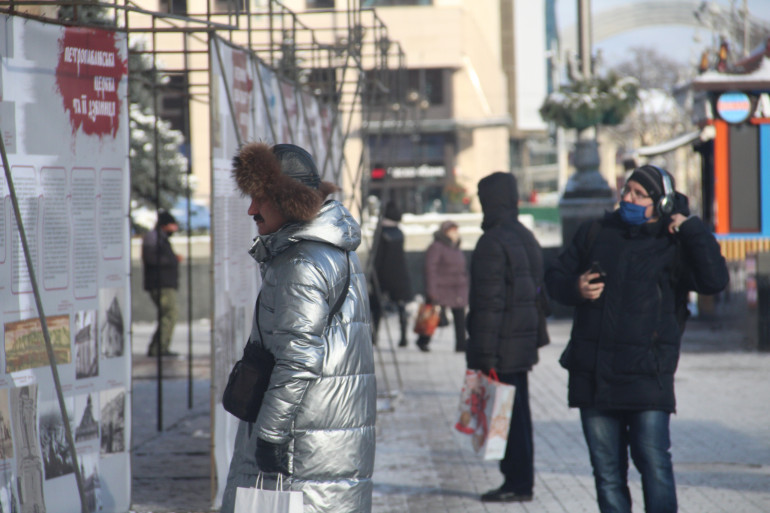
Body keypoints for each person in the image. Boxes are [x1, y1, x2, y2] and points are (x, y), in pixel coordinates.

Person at [545, 164, 729, 513]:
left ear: (661, 203)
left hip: (648, 375)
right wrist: (575, 287)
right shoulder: (595, 232)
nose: (627, 198)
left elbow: (714, 280)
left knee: (654, 464)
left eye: (638, 194)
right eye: (626, 190)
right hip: (594, 375)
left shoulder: (673, 243)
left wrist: (691, 229)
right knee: (608, 473)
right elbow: (553, 276)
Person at [220, 142, 376, 513]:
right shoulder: (331, 248)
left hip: (300, 443)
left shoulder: (301, 263)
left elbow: (297, 359)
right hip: (325, 433)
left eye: (260, 199)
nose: (251, 210)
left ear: (288, 201)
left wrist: (270, 435)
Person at [466, 171, 547, 503]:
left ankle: (516, 482)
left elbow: (488, 305)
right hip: (522, 343)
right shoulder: (526, 236)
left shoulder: (492, 242)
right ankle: (520, 479)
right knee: (519, 415)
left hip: (500, 346)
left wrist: (481, 357)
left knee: (507, 416)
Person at [415, 220, 469, 352]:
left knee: (460, 317)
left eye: (456, 230)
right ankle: (423, 340)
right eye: (453, 231)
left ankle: (461, 345)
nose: (456, 233)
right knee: (433, 316)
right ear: (445, 232)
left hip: (458, 288)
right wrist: (431, 291)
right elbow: (430, 269)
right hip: (441, 288)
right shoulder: (437, 246)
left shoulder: (456, 247)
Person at [370, 200, 413, 347]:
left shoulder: (381, 233)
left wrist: (372, 275)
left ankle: (373, 336)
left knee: (376, 306)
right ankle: (403, 337)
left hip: (382, 274)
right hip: (400, 273)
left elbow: (377, 257)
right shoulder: (399, 233)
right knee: (401, 306)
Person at [142, 210, 182, 357]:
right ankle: (160, 348)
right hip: (160, 284)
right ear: (165, 225)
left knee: (167, 314)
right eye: (172, 225)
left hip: (164, 283)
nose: (175, 229)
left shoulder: (160, 238)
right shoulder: (154, 238)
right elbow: (152, 259)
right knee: (170, 314)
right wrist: (171, 261)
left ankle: (157, 347)